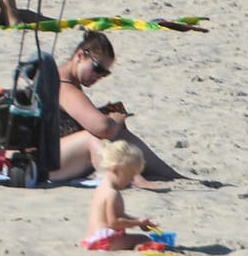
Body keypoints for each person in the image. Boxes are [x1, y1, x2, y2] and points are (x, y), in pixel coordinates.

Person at [51, 32, 179, 182]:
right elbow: (103, 128)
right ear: (79, 56)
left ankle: (162, 173)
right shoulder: (64, 86)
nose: (98, 76)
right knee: (103, 133)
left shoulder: (61, 79)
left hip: (54, 154)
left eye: (104, 74)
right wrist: (116, 119)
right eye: (98, 69)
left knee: (112, 128)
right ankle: (143, 176)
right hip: (45, 162)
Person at [82, 141, 158, 251]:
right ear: (115, 170)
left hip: (91, 239)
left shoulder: (100, 189)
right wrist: (138, 223)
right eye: (130, 176)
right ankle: (140, 248)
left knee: (133, 237)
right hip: (105, 242)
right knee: (142, 238)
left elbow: (117, 215)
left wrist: (139, 220)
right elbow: (114, 222)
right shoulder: (112, 193)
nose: (132, 181)